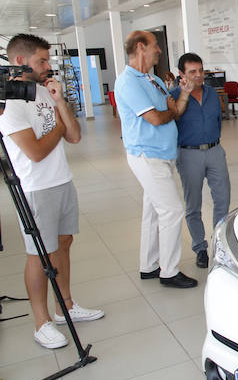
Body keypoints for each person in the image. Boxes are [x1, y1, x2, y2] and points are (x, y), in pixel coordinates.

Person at [0, 34, 104, 349]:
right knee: (38, 254)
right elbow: (35, 151)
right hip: (35, 189)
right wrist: (59, 126)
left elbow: (74, 136)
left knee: (63, 243)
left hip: (61, 180)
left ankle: (66, 307)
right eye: (41, 61)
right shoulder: (11, 105)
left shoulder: (45, 92)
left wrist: (60, 103)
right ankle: (41, 322)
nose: (47, 66)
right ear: (20, 61)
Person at [114, 30, 197, 289]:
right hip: (147, 155)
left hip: (162, 154)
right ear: (141, 47)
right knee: (171, 210)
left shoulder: (153, 80)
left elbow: (174, 110)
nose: (159, 50)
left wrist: (182, 96)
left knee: (152, 212)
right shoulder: (128, 81)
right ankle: (169, 271)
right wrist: (167, 111)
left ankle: (148, 265)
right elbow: (156, 118)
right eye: (154, 46)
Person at [170, 52, 230, 268]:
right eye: (192, 72)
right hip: (188, 154)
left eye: (201, 71)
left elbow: (217, 121)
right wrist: (184, 96)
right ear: (181, 74)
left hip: (214, 150)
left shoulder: (212, 94)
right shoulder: (173, 96)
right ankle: (200, 248)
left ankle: (218, 244)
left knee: (222, 199)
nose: (198, 76)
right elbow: (173, 119)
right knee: (193, 204)